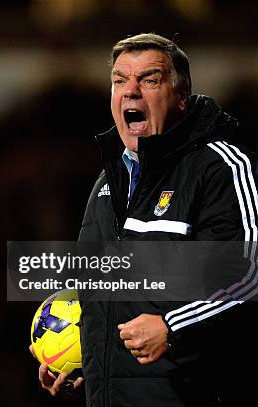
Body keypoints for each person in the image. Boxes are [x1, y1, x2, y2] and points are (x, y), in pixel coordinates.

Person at [31, 33, 258, 406]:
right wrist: (89, 360)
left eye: (149, 80)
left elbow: (248, 277)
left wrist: (173, 329)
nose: (131, 91)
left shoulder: (221, 167)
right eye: (120, 80)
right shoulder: (106, 185)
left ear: (182, 98)